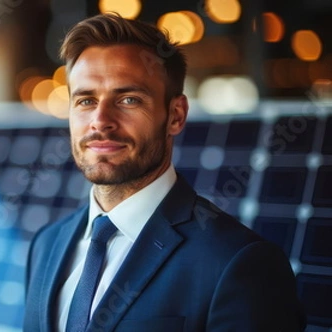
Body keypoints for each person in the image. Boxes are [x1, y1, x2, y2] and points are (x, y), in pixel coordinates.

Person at [24, 13, 305, 332]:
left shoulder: (240, 263)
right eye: (86, 100)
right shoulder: (46, 245)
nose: (100, 120)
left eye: (128, 99)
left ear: (175, 115)